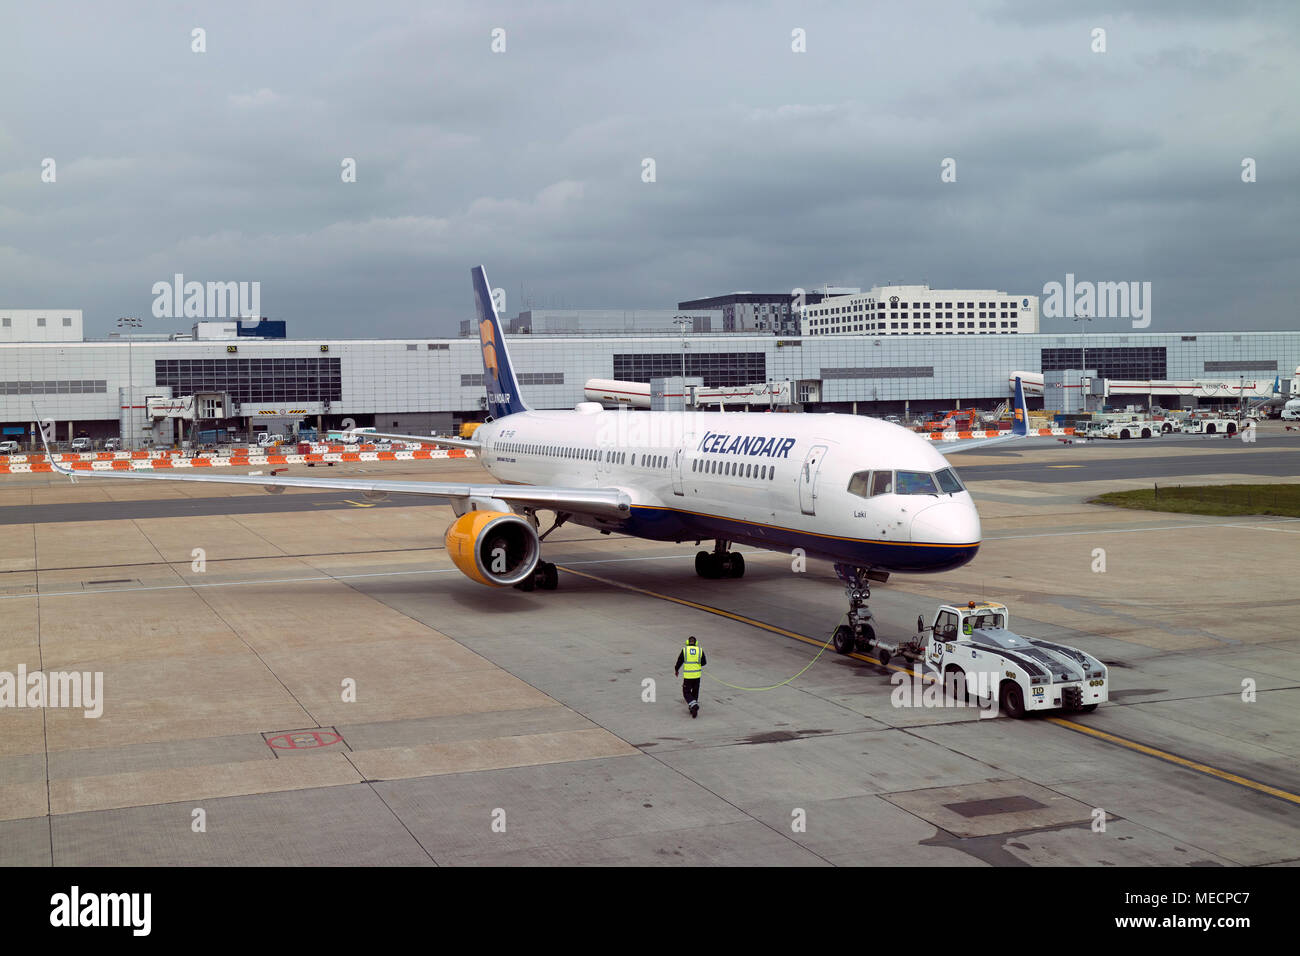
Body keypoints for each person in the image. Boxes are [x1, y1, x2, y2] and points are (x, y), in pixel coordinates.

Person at [674, 636, 707, 718]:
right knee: (695, 692)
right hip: (697, 676)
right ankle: (693, 708)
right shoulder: (700, 650)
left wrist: (676, 669)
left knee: (686, 692)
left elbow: (679, 661)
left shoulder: (685, 650)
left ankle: (694, 706)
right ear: (696, 643)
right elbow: (704, 662)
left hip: (688, 676)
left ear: (687, 642)